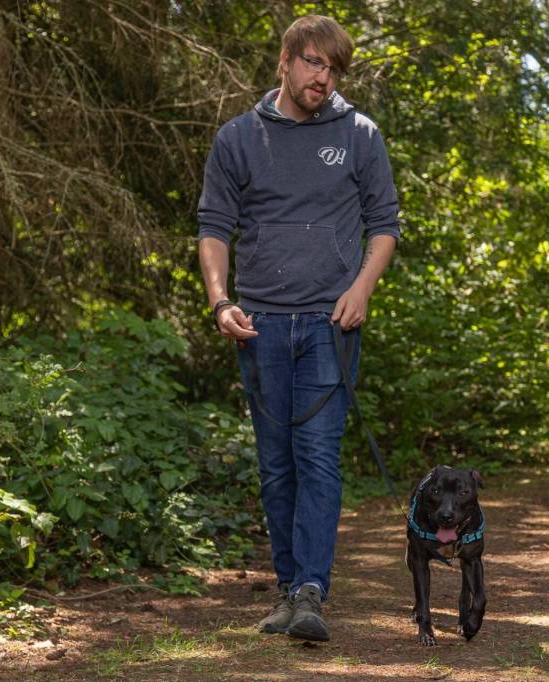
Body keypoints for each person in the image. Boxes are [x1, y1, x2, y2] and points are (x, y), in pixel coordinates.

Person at [197, 14, 400, 642]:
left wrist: (360, 288)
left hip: (326, 324)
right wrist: (220, 300)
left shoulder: (360, 134)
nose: (323, 76)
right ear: (284, 61)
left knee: (317, 459)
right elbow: (213, 227)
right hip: (259, 324)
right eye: (313, 62)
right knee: (276, 465)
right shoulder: (238, 138)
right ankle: (287, 588)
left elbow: (384, 224)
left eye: (333, 67)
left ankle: (312, 589)